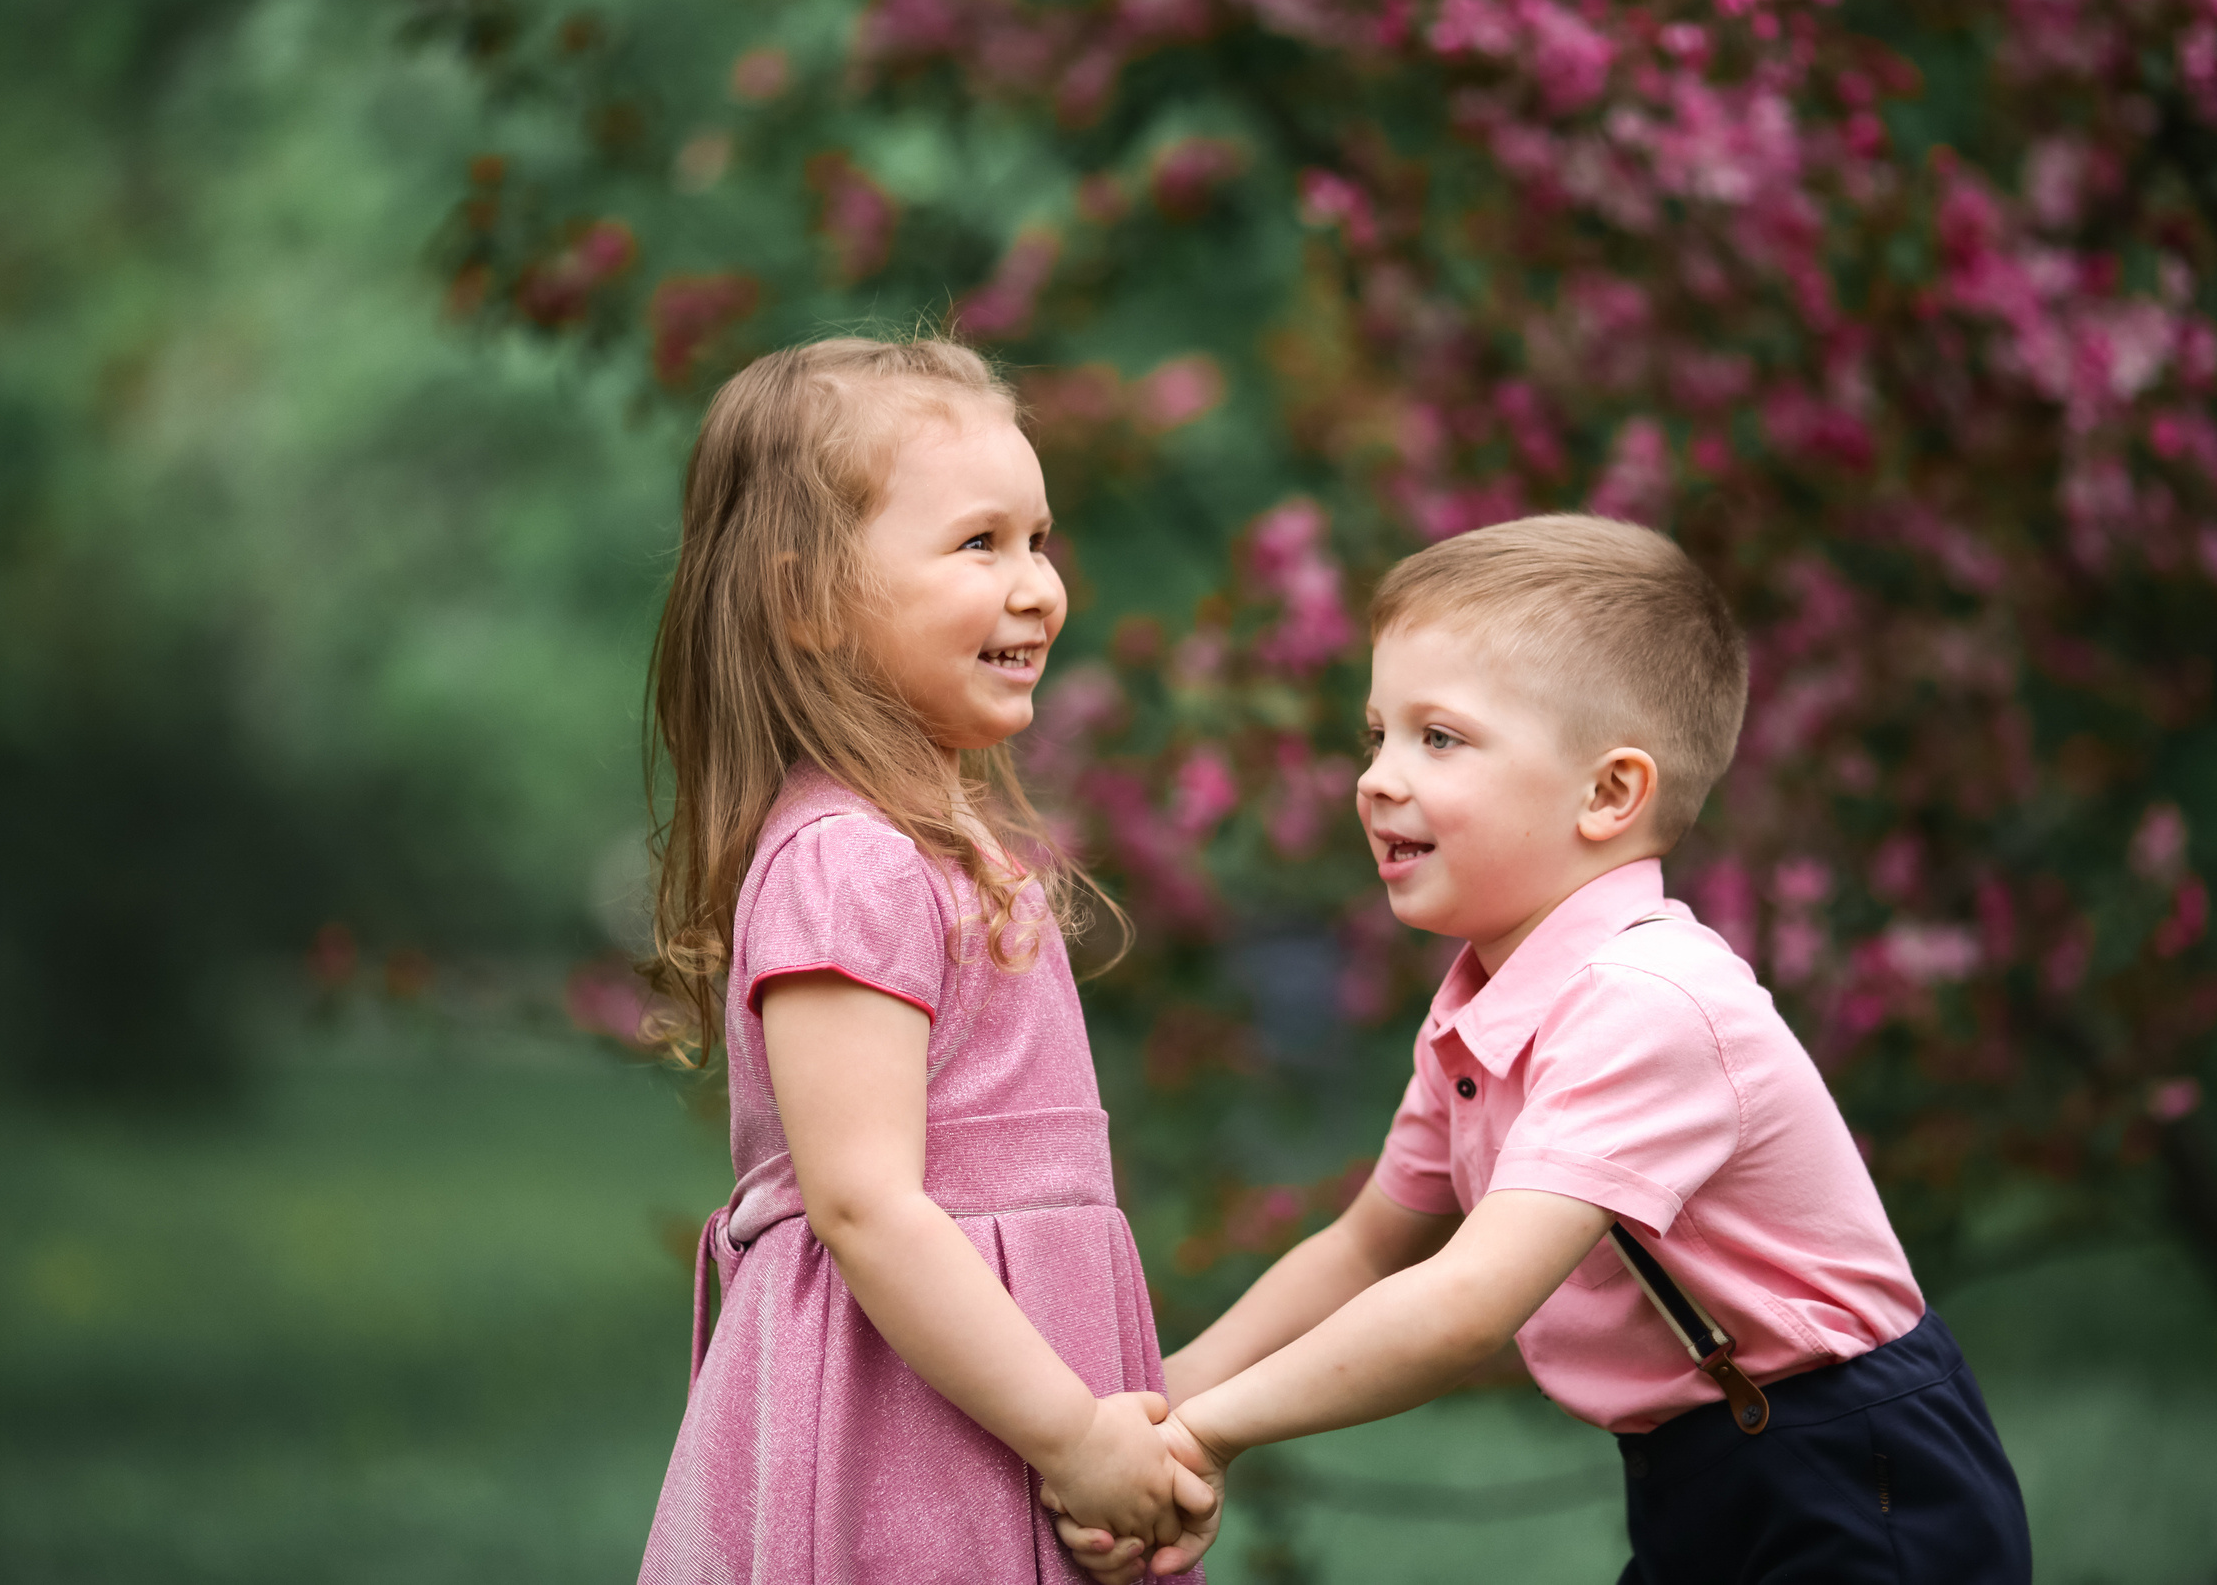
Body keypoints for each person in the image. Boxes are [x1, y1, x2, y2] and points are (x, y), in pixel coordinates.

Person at [1065, 514, 2030, 1583]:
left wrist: (1204, 1437)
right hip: (1697, 1469)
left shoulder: (1646, 1002)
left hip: (1853, 1472)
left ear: (1609, 794)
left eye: (1439, 738)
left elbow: (1465, 1302)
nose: (1377, 777)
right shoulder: (1484, 1010)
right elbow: (1368, 1248)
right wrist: (1158, 1398)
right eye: (1375, 733)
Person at [635, 335, 1212, 1584]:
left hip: (1008, 1414)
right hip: (903, 1440)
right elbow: (865, 1204)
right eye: (978, 545)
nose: (1038, 585)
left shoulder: (939, 851)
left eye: (1039, 539)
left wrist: (1104, 1435)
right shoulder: (846, 861)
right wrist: (1069, 1435)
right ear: (806, 601)